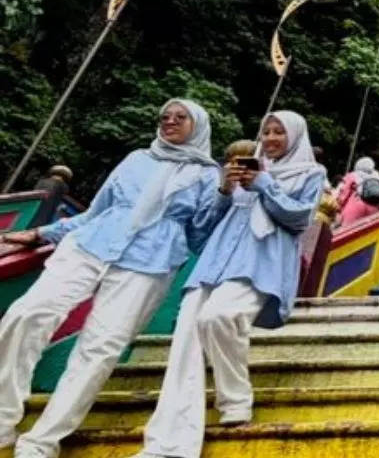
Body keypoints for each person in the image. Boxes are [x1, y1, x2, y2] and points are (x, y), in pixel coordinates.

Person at [0, 99, 222, 458]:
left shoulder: (209, 176)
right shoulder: (137, 159)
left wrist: (224, 199)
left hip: (150, 261)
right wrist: (41, 233)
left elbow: (198, 235)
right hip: (92, 244)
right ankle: (3, 416)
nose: (169, 121)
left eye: (180, 117)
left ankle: (42, 442)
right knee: (27, 314)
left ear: (198, 126)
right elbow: (94, 212)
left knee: (100, 350)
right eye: (164, 116)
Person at [133, 111, 325, 458]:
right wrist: (224, 189)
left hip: (261, 262)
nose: (270, 138)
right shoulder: (239, 172)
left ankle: (235, 398)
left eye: (279, 132)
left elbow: (298, 218)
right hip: (214, 263)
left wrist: (264, 184)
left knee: (219, 317)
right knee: (183, 350)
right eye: (265, 131)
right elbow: (203, 228)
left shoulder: (310, 173)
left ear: (296, 136)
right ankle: (167, 443)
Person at [334, 157, 379, 227]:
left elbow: (344, 192)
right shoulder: (377, 178)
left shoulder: (353, 175)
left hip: (355, 204)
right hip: (373, 208)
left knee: (346, 231)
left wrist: (338, 206)